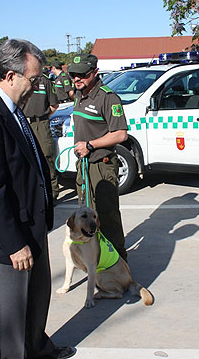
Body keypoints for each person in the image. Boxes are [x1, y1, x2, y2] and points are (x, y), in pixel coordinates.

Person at [0, 39, 75, 359]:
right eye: (33, 79)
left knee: (38, 297)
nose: (37, 86)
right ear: (10, 76)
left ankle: (38, 346)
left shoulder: (12, 108)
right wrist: (14, 243)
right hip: (8, 234)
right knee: (12, 314)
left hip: (31, 222)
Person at [69, 53, 128, 261]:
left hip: (102, 165)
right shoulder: (79, 94)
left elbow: (120, 134)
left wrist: (90, 145)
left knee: (107, 217)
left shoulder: (107, 97)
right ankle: (97, 262)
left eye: (82, 75)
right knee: (86, 217)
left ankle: (119, 264)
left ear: (94, 72)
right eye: (73, 75)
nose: (77, 79)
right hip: (83, 164)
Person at [24, 67, 60, 202]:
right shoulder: (23, 81)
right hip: (25, 122)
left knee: (46, 156)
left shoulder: (45, 82)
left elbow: (54, 105)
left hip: (41, 124)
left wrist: (43, 116)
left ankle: (52, 193)